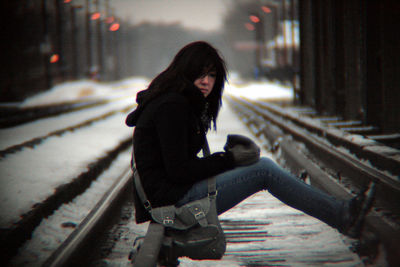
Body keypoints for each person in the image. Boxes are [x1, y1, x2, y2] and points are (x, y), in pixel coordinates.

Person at [125, 41, 373, 243]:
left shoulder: (174, 101)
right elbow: (179, 171)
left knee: (261, 167)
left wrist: (228, 159)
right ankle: (343, 217)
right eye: (199, 74)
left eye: (212, 75)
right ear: (185, 72)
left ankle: (343, 215)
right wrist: (228, 160)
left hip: (169, 196)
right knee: (264, 170)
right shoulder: (172, 105)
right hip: (171, 202)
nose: (206, 81)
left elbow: (181, 167)